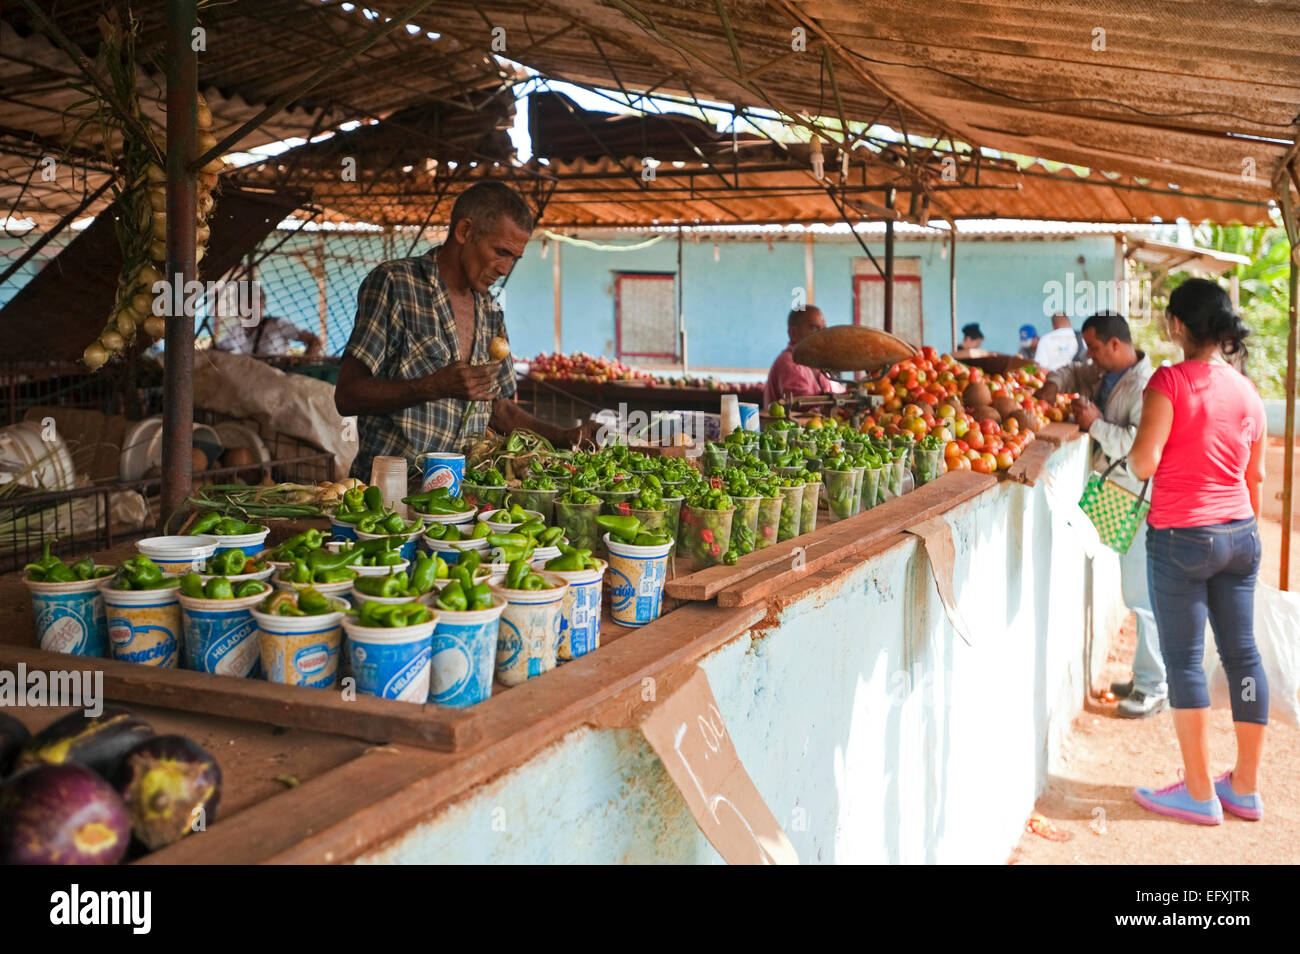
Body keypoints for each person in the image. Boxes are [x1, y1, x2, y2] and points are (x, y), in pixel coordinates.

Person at [336, 182, 599, 480]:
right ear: (465, 232)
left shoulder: (490, 309)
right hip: (388, 495)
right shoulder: (395, 284)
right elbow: (347, 396)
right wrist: (431, 386)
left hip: (460, 495)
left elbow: (499, 410)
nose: (505, 268)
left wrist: (566, 437)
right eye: (500, 252)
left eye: (514, 258)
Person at [1127, 278, 1266, 826]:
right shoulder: (1248, 389)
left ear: (1178, 326)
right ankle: (1247, 788)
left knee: (1185, 662)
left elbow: (1143, 462)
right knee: (1243, 656)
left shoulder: (1169, 381)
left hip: (1183, 537)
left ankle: (1200, 791)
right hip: (1242, 535)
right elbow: (1255, 474)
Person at [1038, 313, 1163, 717]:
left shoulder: (1147, 387)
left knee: (1143, 596)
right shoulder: (1101, 371)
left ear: (1114, 345)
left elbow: (1140, 445)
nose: (1088, 356)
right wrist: (1053, 385)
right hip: (1117, 493)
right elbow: (1074, 371)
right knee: (1137, 592)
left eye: (1093, 348)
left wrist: (1095, 425)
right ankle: (1148, 675)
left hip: (1140, 500)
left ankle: (1154, 684)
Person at [762, 305, 847, 408]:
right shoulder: (789, 362)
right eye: (814, 328)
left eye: (824, 328)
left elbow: (836, 393)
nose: (822, 334)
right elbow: (802, 406)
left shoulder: (818, 363)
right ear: (793, 333)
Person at [216, 290, 323, 357]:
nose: (250, 305)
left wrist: (302, 366)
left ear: (263, 303)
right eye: (245, 301)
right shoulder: (236, 331)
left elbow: (315, 341)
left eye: (255, 300)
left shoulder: (277, 324)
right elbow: (216, 350)